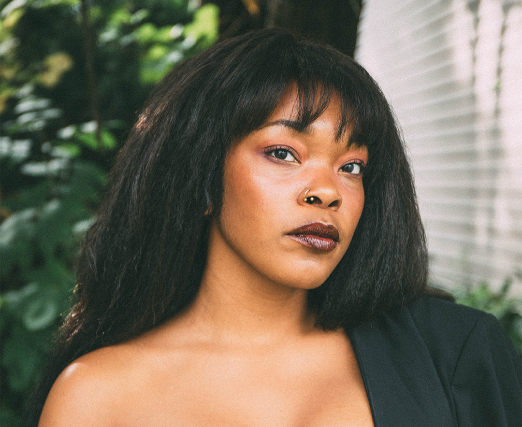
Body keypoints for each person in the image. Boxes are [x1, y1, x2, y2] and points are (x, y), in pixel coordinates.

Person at [27, 28, 520, 426]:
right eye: (283, 153)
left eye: (351, 166)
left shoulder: (454, 356)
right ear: (202, 176)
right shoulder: (95, 398)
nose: (326, 191)